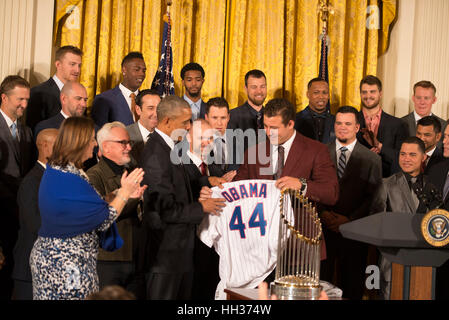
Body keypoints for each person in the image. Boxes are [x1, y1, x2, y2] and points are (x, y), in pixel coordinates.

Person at [29, 117, 146, 300]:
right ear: (80, 142)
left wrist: (116, 194)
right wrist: (124, 193)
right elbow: (103, 219)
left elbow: (86, 205)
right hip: (67, 264)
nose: (94, 144)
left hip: (67, 259)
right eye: (91, 139)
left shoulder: (64, 170)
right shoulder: (68, 176)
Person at [140, 95, 226, 300]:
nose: (189, 127)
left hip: (179, 254)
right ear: (167, 121)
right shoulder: (156, 153)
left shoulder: (170, 148)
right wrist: (202, 207)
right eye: (185, 122)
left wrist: (206, 186)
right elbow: (165, 209)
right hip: (164, 256)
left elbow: (182, 186)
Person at [320, 106, 382, 300]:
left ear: (357, 127)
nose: (342, 127)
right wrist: (324, 214)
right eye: (339, 123)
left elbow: (375, 198)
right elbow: (314, 188)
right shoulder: (320, 152)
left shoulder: (371, 158)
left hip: (355, 234)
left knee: (352, 287)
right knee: (321, 285)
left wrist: (349, 220)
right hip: (323, 232)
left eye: (348, 124)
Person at [232, 98, 338, 206]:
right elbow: (236, 191)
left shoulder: (316, 150)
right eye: (265, 126)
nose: (268, 133)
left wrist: (302, 185)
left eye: (274, 128)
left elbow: (331, 194)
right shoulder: (253, 152)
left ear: (290, 124)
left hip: (298, 222)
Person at [371, 137, 441, 299]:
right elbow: (375, 223)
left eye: (412, 154)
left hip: (425, 264)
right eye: (402, 154)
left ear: (423, 157)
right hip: (392, 264)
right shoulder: (386, 184)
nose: (406, 159)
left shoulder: (433, 185)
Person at [86, 122, 146, 297]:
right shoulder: (94, 175)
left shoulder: (132, 171)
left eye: (129, 143)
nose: (128, 147)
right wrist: (129, 197)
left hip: (137, 257)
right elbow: (100, 216)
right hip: (109, 261)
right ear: (106, 146)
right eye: (123, 143)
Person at [0, 75, 35, 299]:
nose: (24, 104)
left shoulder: (27, 132)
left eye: (27, 99)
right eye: (19, 99)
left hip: (18, 218)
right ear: (4, 97)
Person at [12, 128, 58, 300]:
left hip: (50, 267)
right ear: (45, 146)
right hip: (30, 270)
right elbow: (34, 223)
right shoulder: (32, 181)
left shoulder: (55, 178)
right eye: (58, 144)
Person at [356, 75, 408, 177]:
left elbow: (402, 157)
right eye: (364, 92)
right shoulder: (351, 121)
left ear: (380, 94)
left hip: (386, 181)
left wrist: (380, 147)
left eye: (372, 92)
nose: (368, 96)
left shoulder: (397, 124)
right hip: (356, 178)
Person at [26, 46, 83, 131]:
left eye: (79, 65)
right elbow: (34, 130)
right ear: (58, 65)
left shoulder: (80, 94)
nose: (77, 70)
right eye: (72, 64)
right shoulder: (38, 93)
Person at [91, 52, 147, 128]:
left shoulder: (146, 100)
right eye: (137, 69)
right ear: (124, 70)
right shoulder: (104, 99)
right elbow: (99, 133)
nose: (142, 74)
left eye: (144, 71)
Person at [428, 122, 449, 300]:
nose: (445, 142)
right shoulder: (436, 170)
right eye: (445, 136)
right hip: (433, 255)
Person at [227, 69, 267, 151]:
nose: (259, 91)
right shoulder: (232, 117)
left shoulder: (274, 117)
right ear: (246, 89)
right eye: (254, 87)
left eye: (262, 86)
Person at [205, 97, 240, 179]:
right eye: (214, 118)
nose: (219, 123)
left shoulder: (240, 140)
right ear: (206, 118)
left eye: (223, 118)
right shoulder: (198, 143)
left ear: (228, 117)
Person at [294, 78, 335, 143]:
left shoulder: (336, 121)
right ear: (308, 94)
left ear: (329, 96)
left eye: (324, 92)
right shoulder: (295, 120)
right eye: (316, 92)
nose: (321, 97)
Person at [126, 89, 161, 164]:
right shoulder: (125, 135)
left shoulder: (168, 136)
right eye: (150, 108)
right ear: (138, 110)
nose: (156, 114)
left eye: (159, 108)